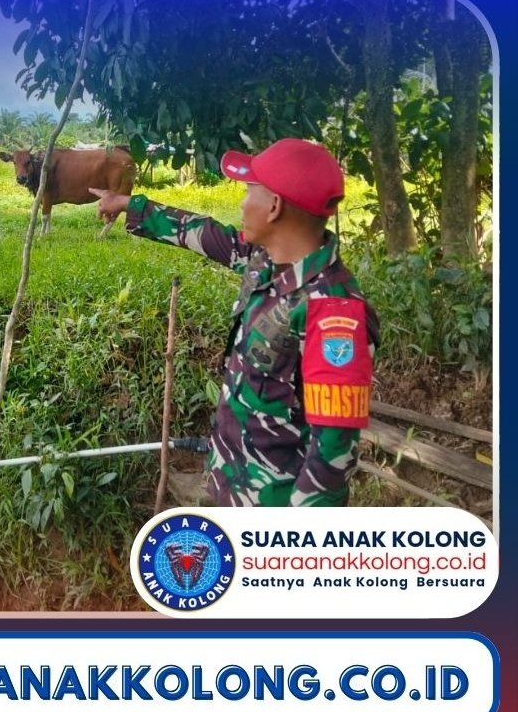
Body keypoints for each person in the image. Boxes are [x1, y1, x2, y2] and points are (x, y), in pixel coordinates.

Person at [90, 138, 380, 507]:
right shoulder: (266, 261)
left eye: (248, 191)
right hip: (233, 486)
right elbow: (204, 233)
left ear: (274, 206)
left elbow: (333, 456)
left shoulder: (333, 312)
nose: (242, 203)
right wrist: (128, 204)